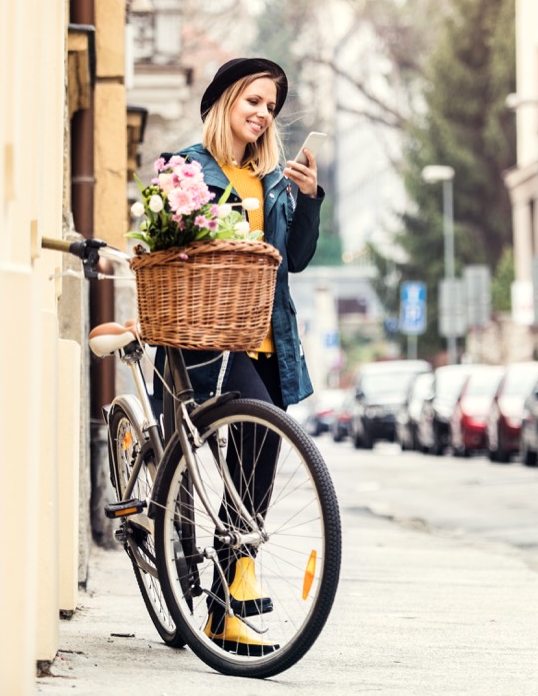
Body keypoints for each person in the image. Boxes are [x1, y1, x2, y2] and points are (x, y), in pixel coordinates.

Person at [154, 56, 324, 654]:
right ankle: (226, 582)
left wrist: (309, 199)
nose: (262, 114)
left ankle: (227, 606)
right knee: (254, 420)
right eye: (253, 100)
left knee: (258, 463)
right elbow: (162, 243)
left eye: (270, 107)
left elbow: (295, 260)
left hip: (268, 339)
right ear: (226, 99)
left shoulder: (273, 180)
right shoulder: (187, 169)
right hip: (208, 340)